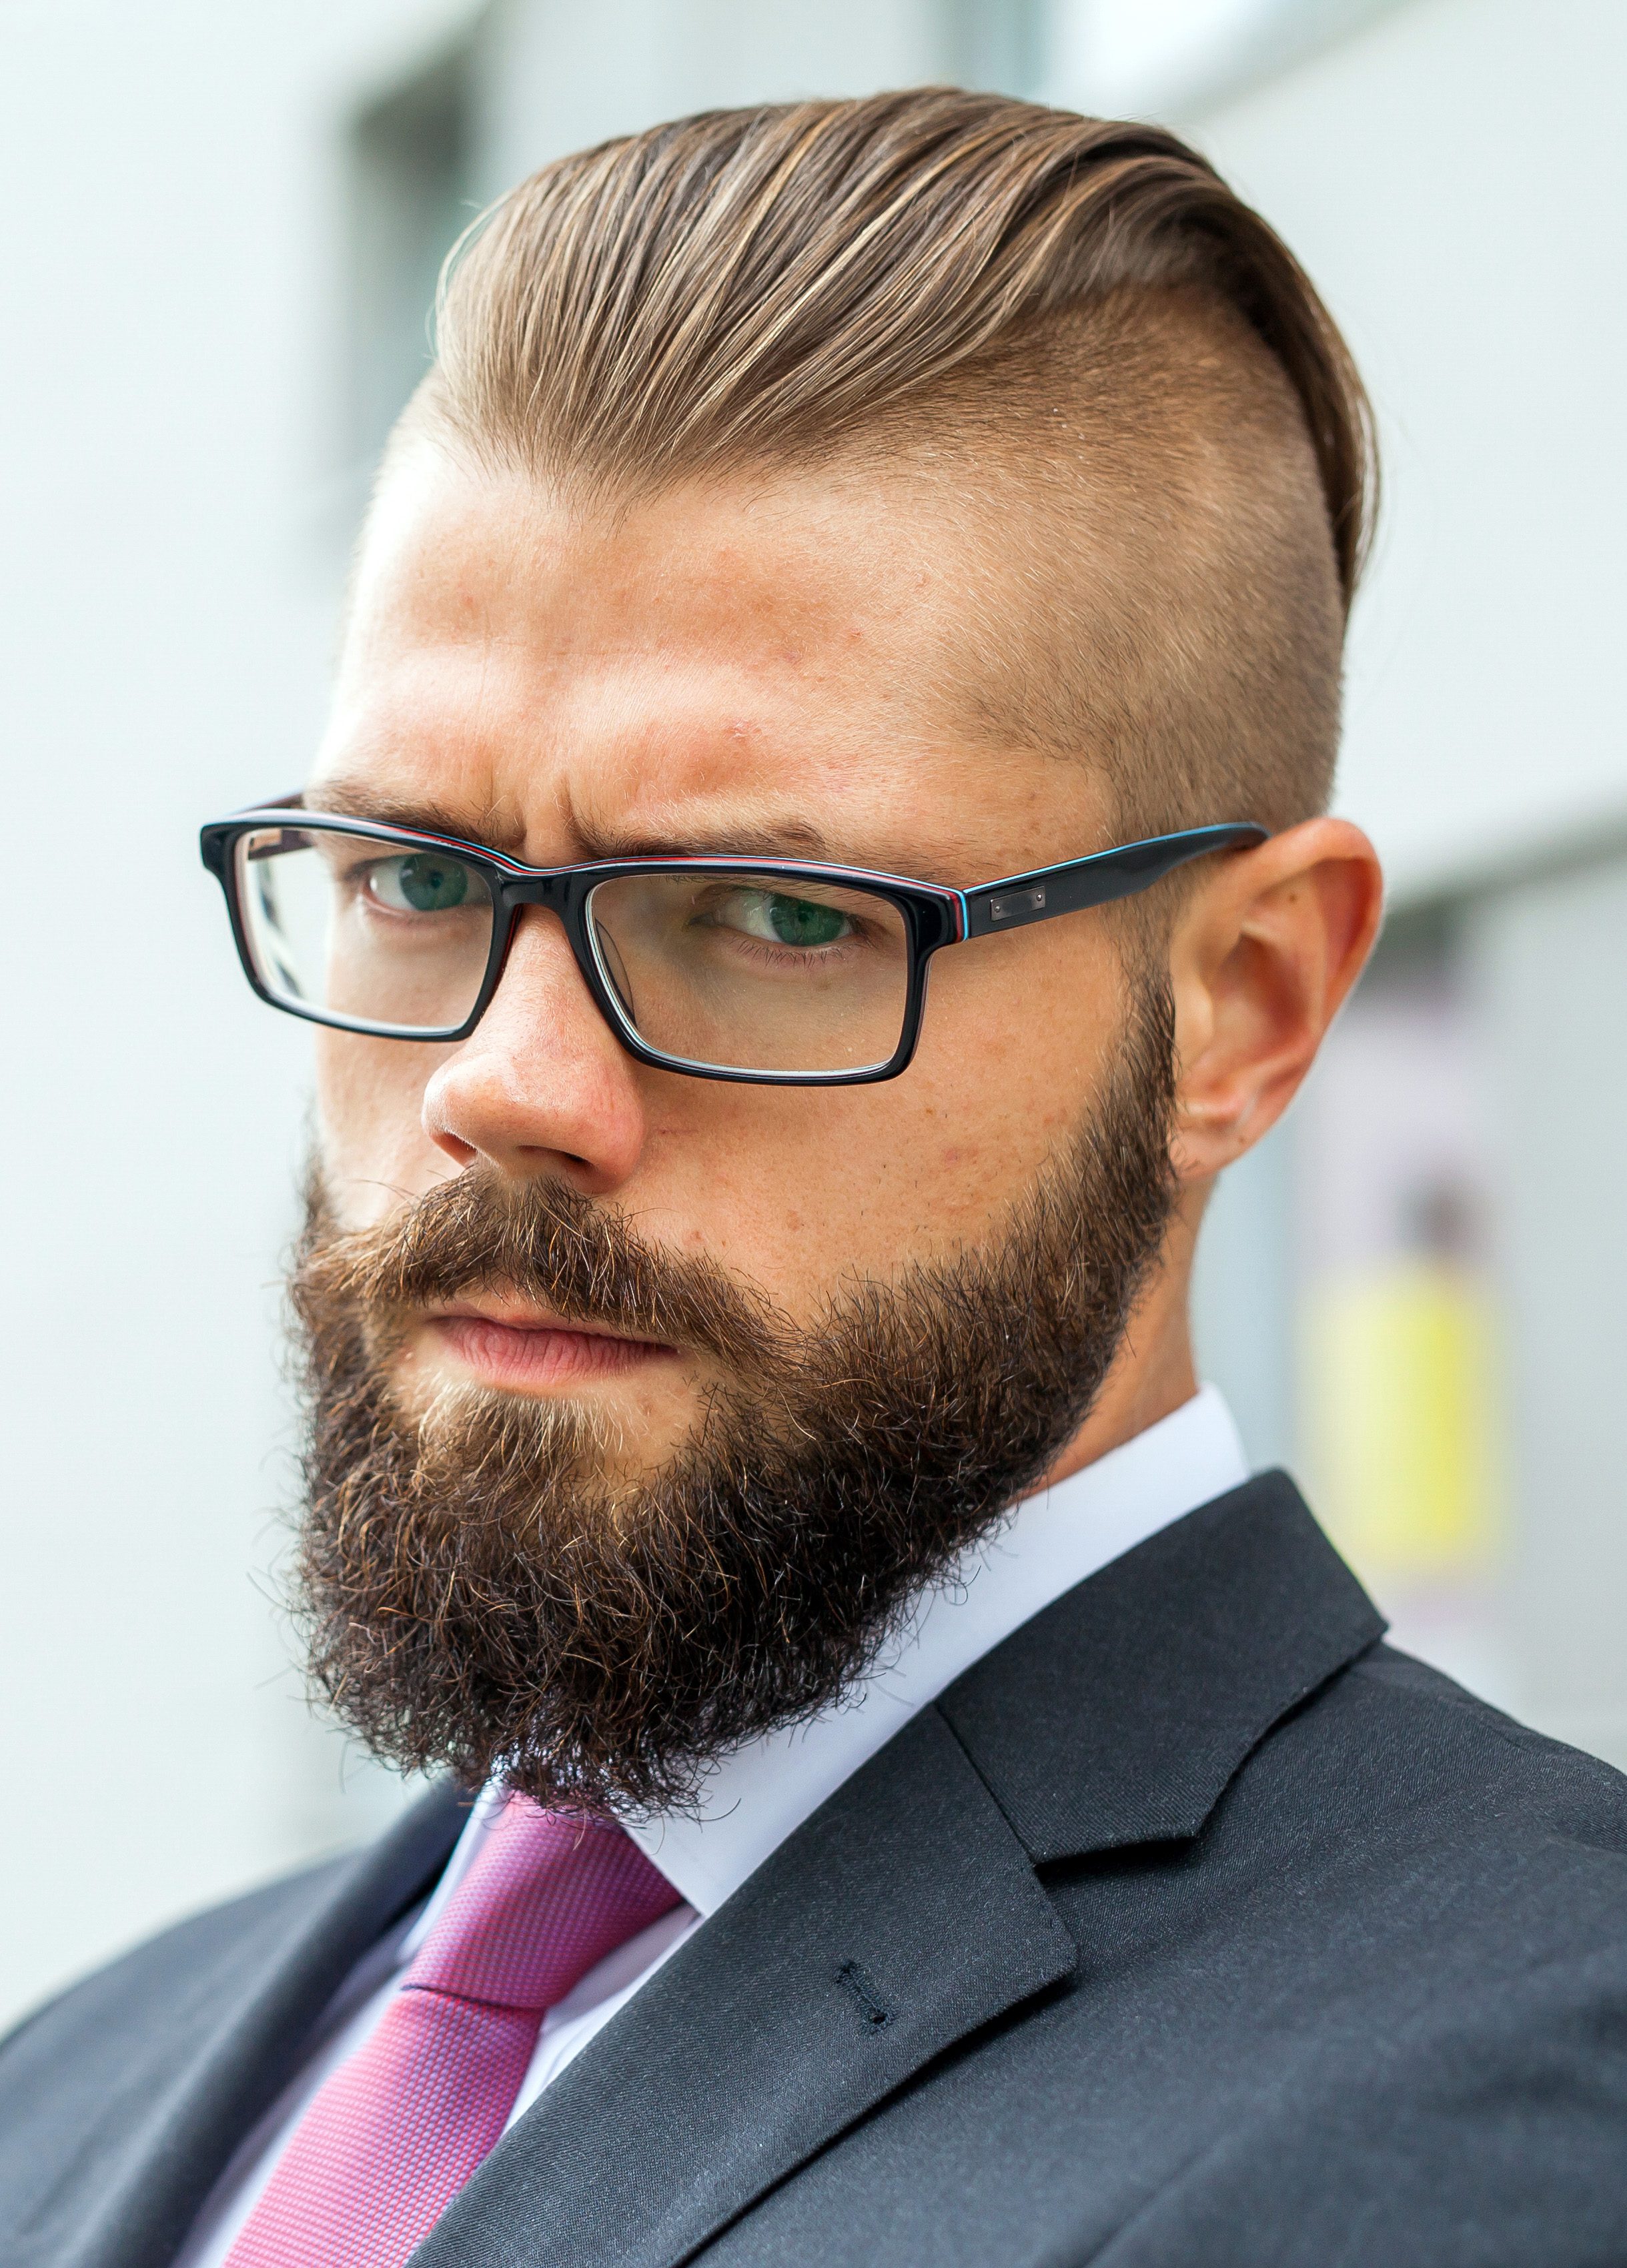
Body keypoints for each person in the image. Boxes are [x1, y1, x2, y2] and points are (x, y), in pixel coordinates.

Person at [3, 89, 1624, 2268]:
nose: (507, 1086)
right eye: (409, 872)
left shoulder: (1505, 2106)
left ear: (1240, 1008)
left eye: (775, 917)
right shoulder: (74, 2087)